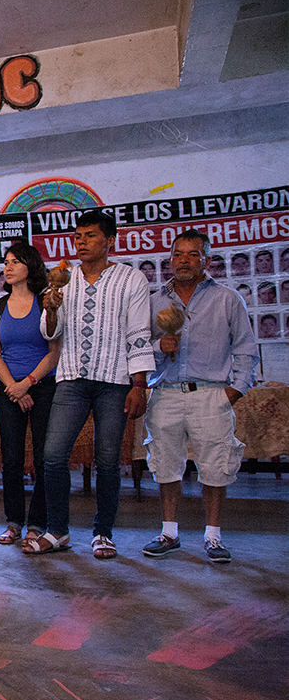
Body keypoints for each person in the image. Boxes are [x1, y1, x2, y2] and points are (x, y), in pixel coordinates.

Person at [30, 210, 154, 559]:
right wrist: (51, 308)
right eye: (78, 236)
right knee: (52, 456)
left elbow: (139, 332)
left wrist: (138, 383)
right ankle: (58, 531)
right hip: (71, 378)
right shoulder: (64, 281)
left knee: (108, 459)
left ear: (110, 240)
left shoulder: (131, 280)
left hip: (114, 381)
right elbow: (49, 332)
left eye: (90, 236)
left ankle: (103, 533)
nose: (81, 242)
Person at [142, 229, 258, 564]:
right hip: (164, 393)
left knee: (216, 467)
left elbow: (247, 350)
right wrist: (157, 346)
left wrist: (234, 391)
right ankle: (169, 533)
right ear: (170, 259)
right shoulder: (155, 302)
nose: (185, 261)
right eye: (178, 254)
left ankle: (213, 536)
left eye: (193, 254)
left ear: (206, 259)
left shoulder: (226, 299)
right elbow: (137, 351)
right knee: (164, 464)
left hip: (210, 394)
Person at [0, 244, 60, 549]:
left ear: (31, 266)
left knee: (44, 459)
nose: (9, 267)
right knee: (11, 459)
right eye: (6, 262)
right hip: (9, 389)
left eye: (16, 261)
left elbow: (55, 352)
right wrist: (14, 388)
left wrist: (27, 383)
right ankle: (14, 522)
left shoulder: (47, 303)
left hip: (41, 386)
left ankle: (37, 523)